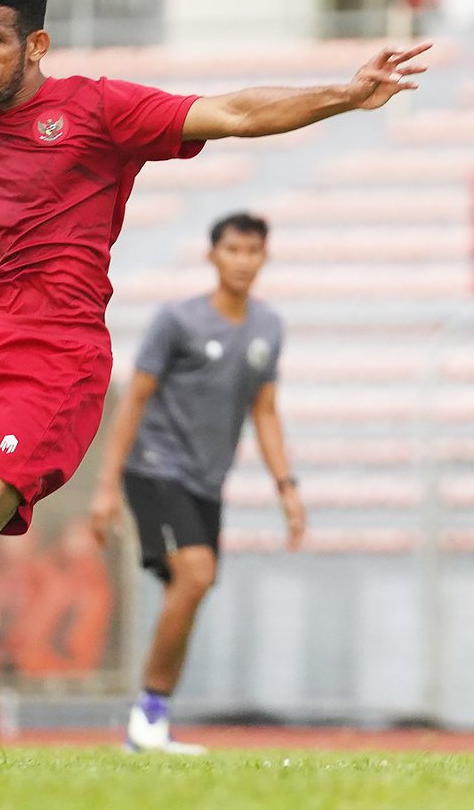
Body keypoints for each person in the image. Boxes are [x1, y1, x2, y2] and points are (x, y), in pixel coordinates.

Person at [0, 0, 429, 765]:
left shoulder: (97, 109)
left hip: (52, 358)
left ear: (37, 45)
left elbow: (228, 110)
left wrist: (342, 93)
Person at [89, 211, 306, 754]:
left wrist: (287, 487)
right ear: (213, 255)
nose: (242, 261)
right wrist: (106, 487)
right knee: (196, 573)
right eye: (232, 250)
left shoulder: (267, 328)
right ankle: (146, 717)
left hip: (207, 484)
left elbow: (265, 411)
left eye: (252, 251)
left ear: (264, 257)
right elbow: (133, 399)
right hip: (156, 468)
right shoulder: (177, 320)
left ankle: (152, 726)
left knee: (190, 588)